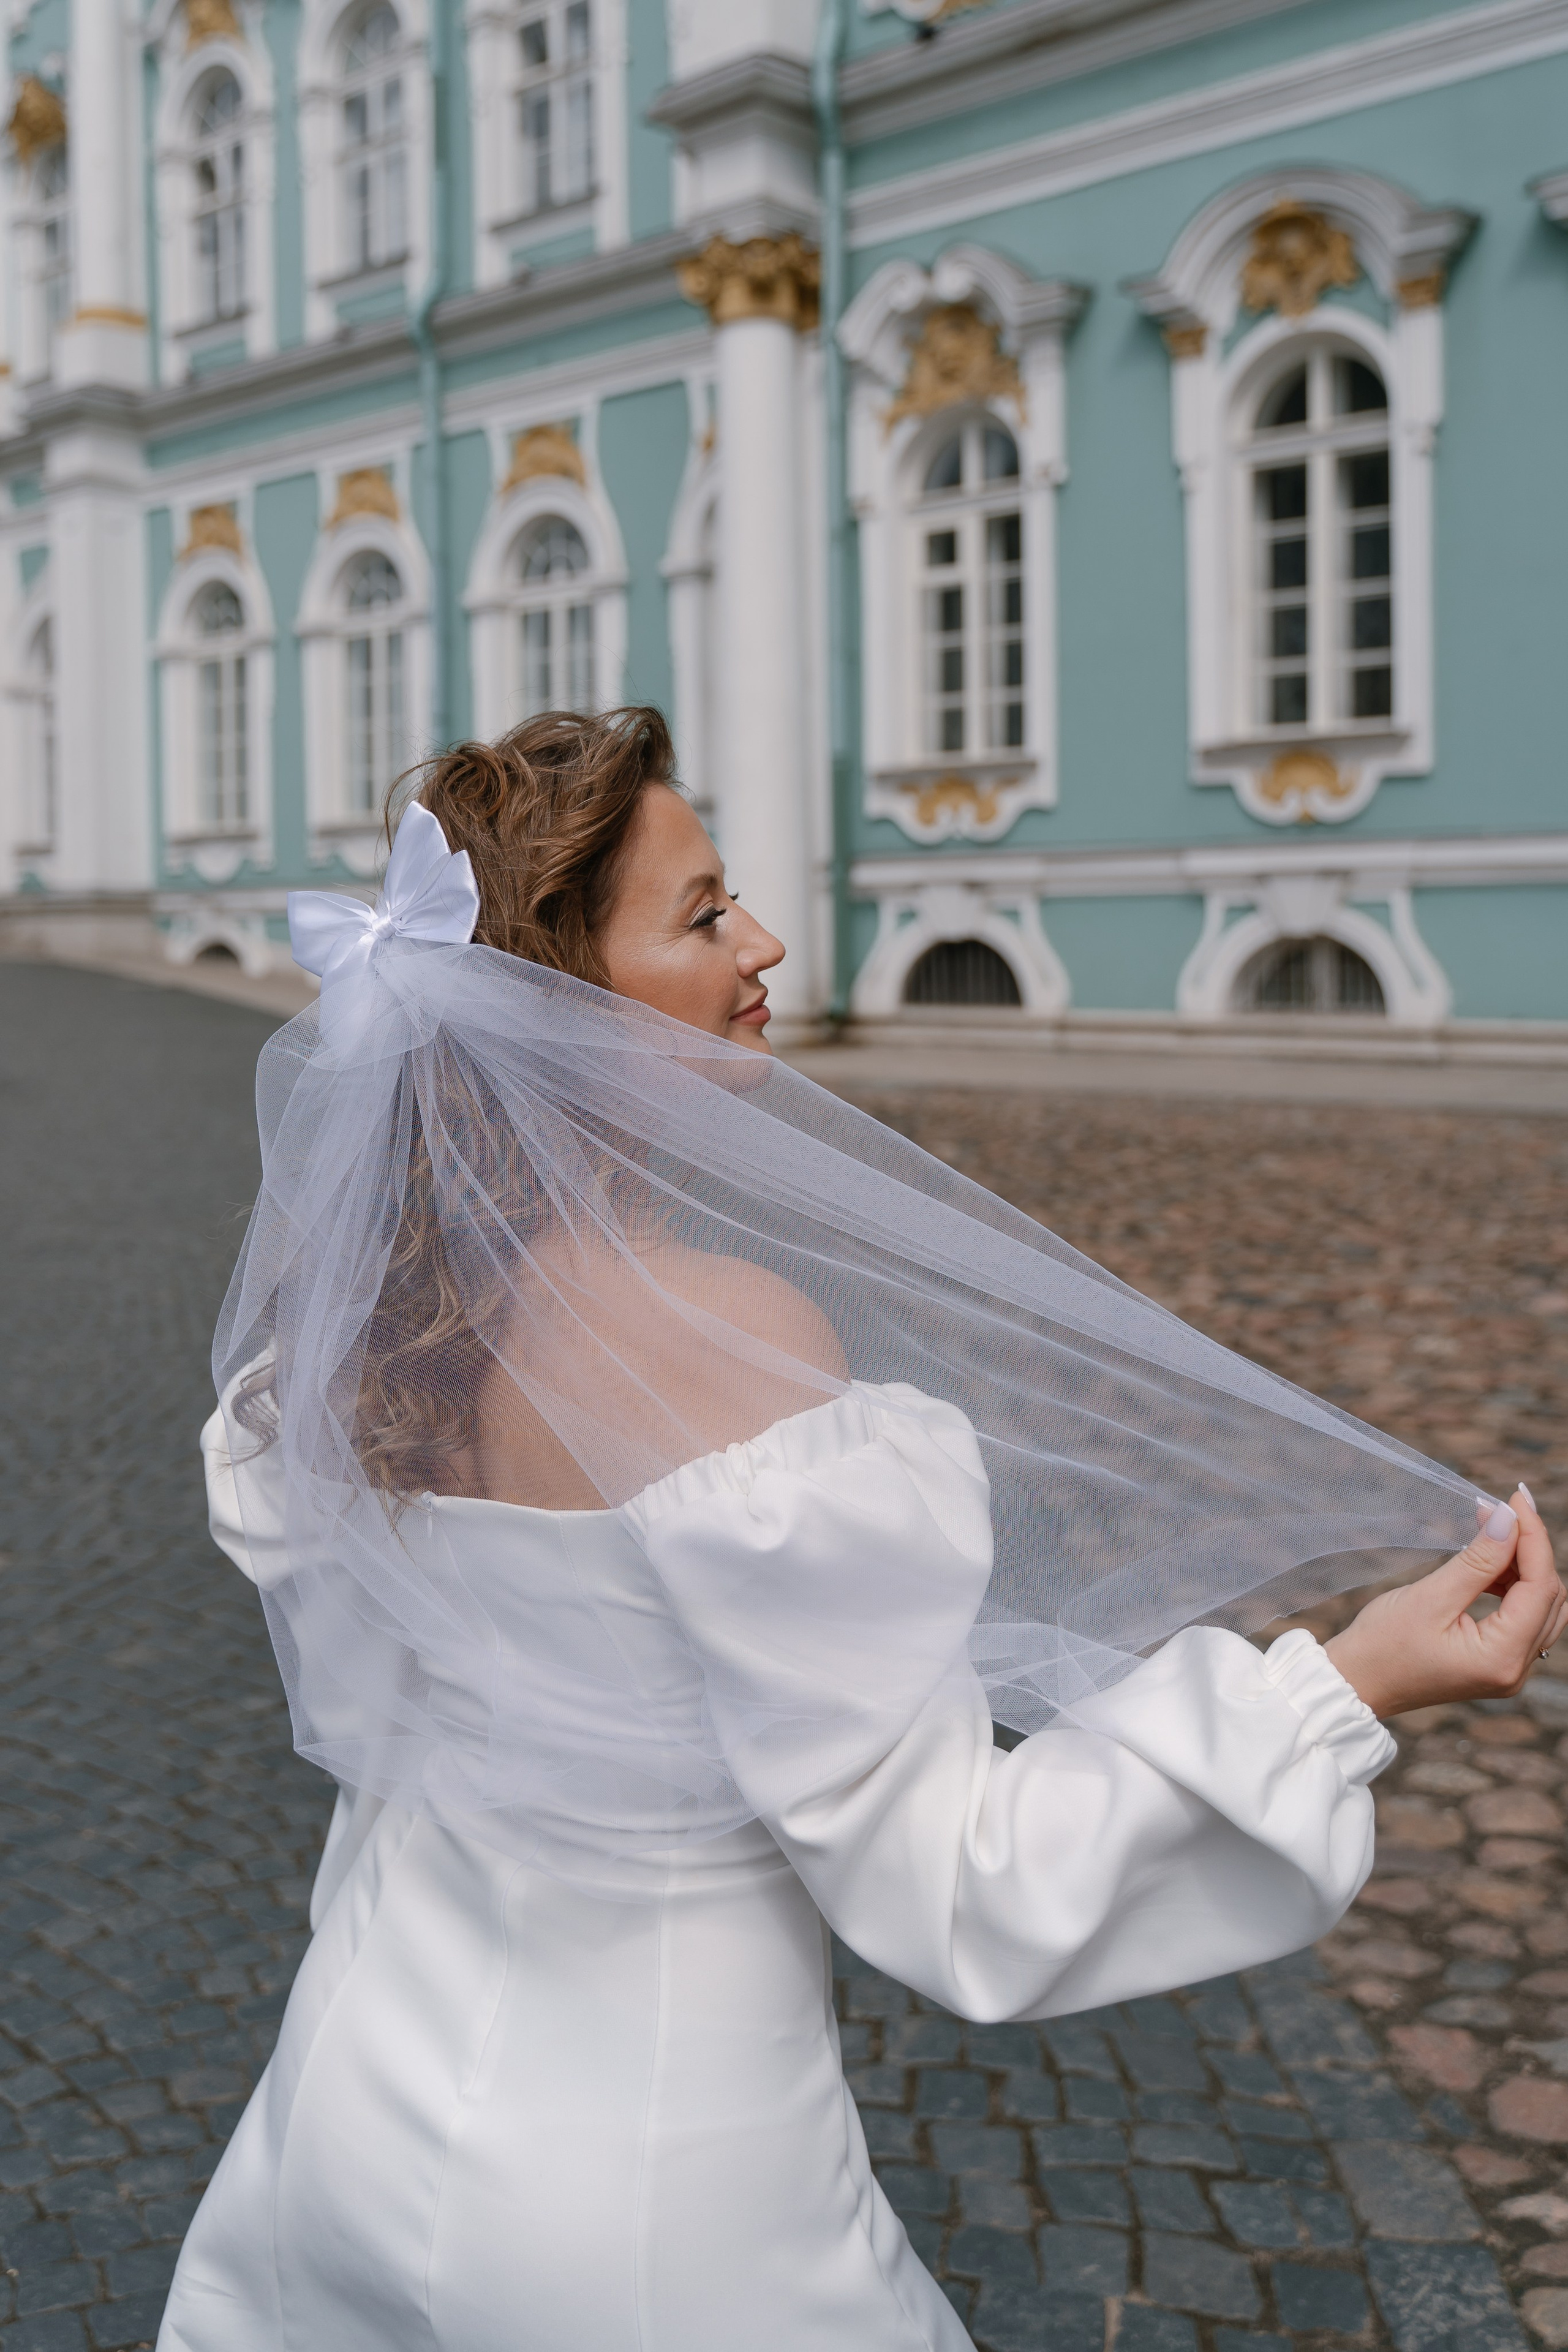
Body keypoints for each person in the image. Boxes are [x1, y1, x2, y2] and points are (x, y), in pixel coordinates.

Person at [158, 708, 1561, 2352]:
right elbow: (965, 1878)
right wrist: (1350, 1684)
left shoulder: (366, 1328)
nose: (762, 944)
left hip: (353, 2095)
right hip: (651, 2194)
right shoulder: (719, 1343)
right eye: (702, 916)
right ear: (557, 996)